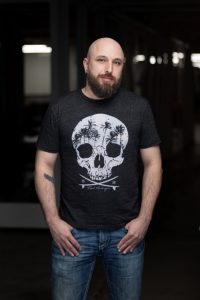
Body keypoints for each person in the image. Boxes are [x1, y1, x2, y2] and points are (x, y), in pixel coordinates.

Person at [34, 37, 162, 300]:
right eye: (101, 60)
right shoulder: (61, 110)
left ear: (123, 67)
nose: (109, 68)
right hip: (72, 235)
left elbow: (153, 163)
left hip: (126, 234)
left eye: (117, 62)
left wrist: (145, 219)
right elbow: (44, 164)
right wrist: (52, 220)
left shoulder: (138, 108)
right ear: (86, 64)